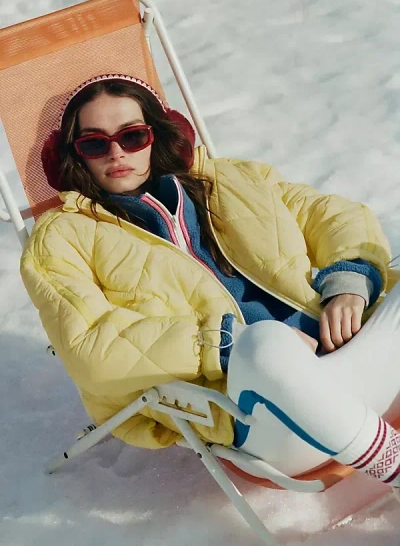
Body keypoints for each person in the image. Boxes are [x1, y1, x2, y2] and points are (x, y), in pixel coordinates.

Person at [20, 74, 400, 492]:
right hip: (268, 415)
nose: (116, 153)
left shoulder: (231, 179)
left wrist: (349, 282)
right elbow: (90, 347)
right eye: (94, 143)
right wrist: (225, 343)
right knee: (266, 343)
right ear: (74, 154)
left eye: (132, 136)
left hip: (352, 356)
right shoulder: (61, 237)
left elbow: (333, 215)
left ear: (156, 134)